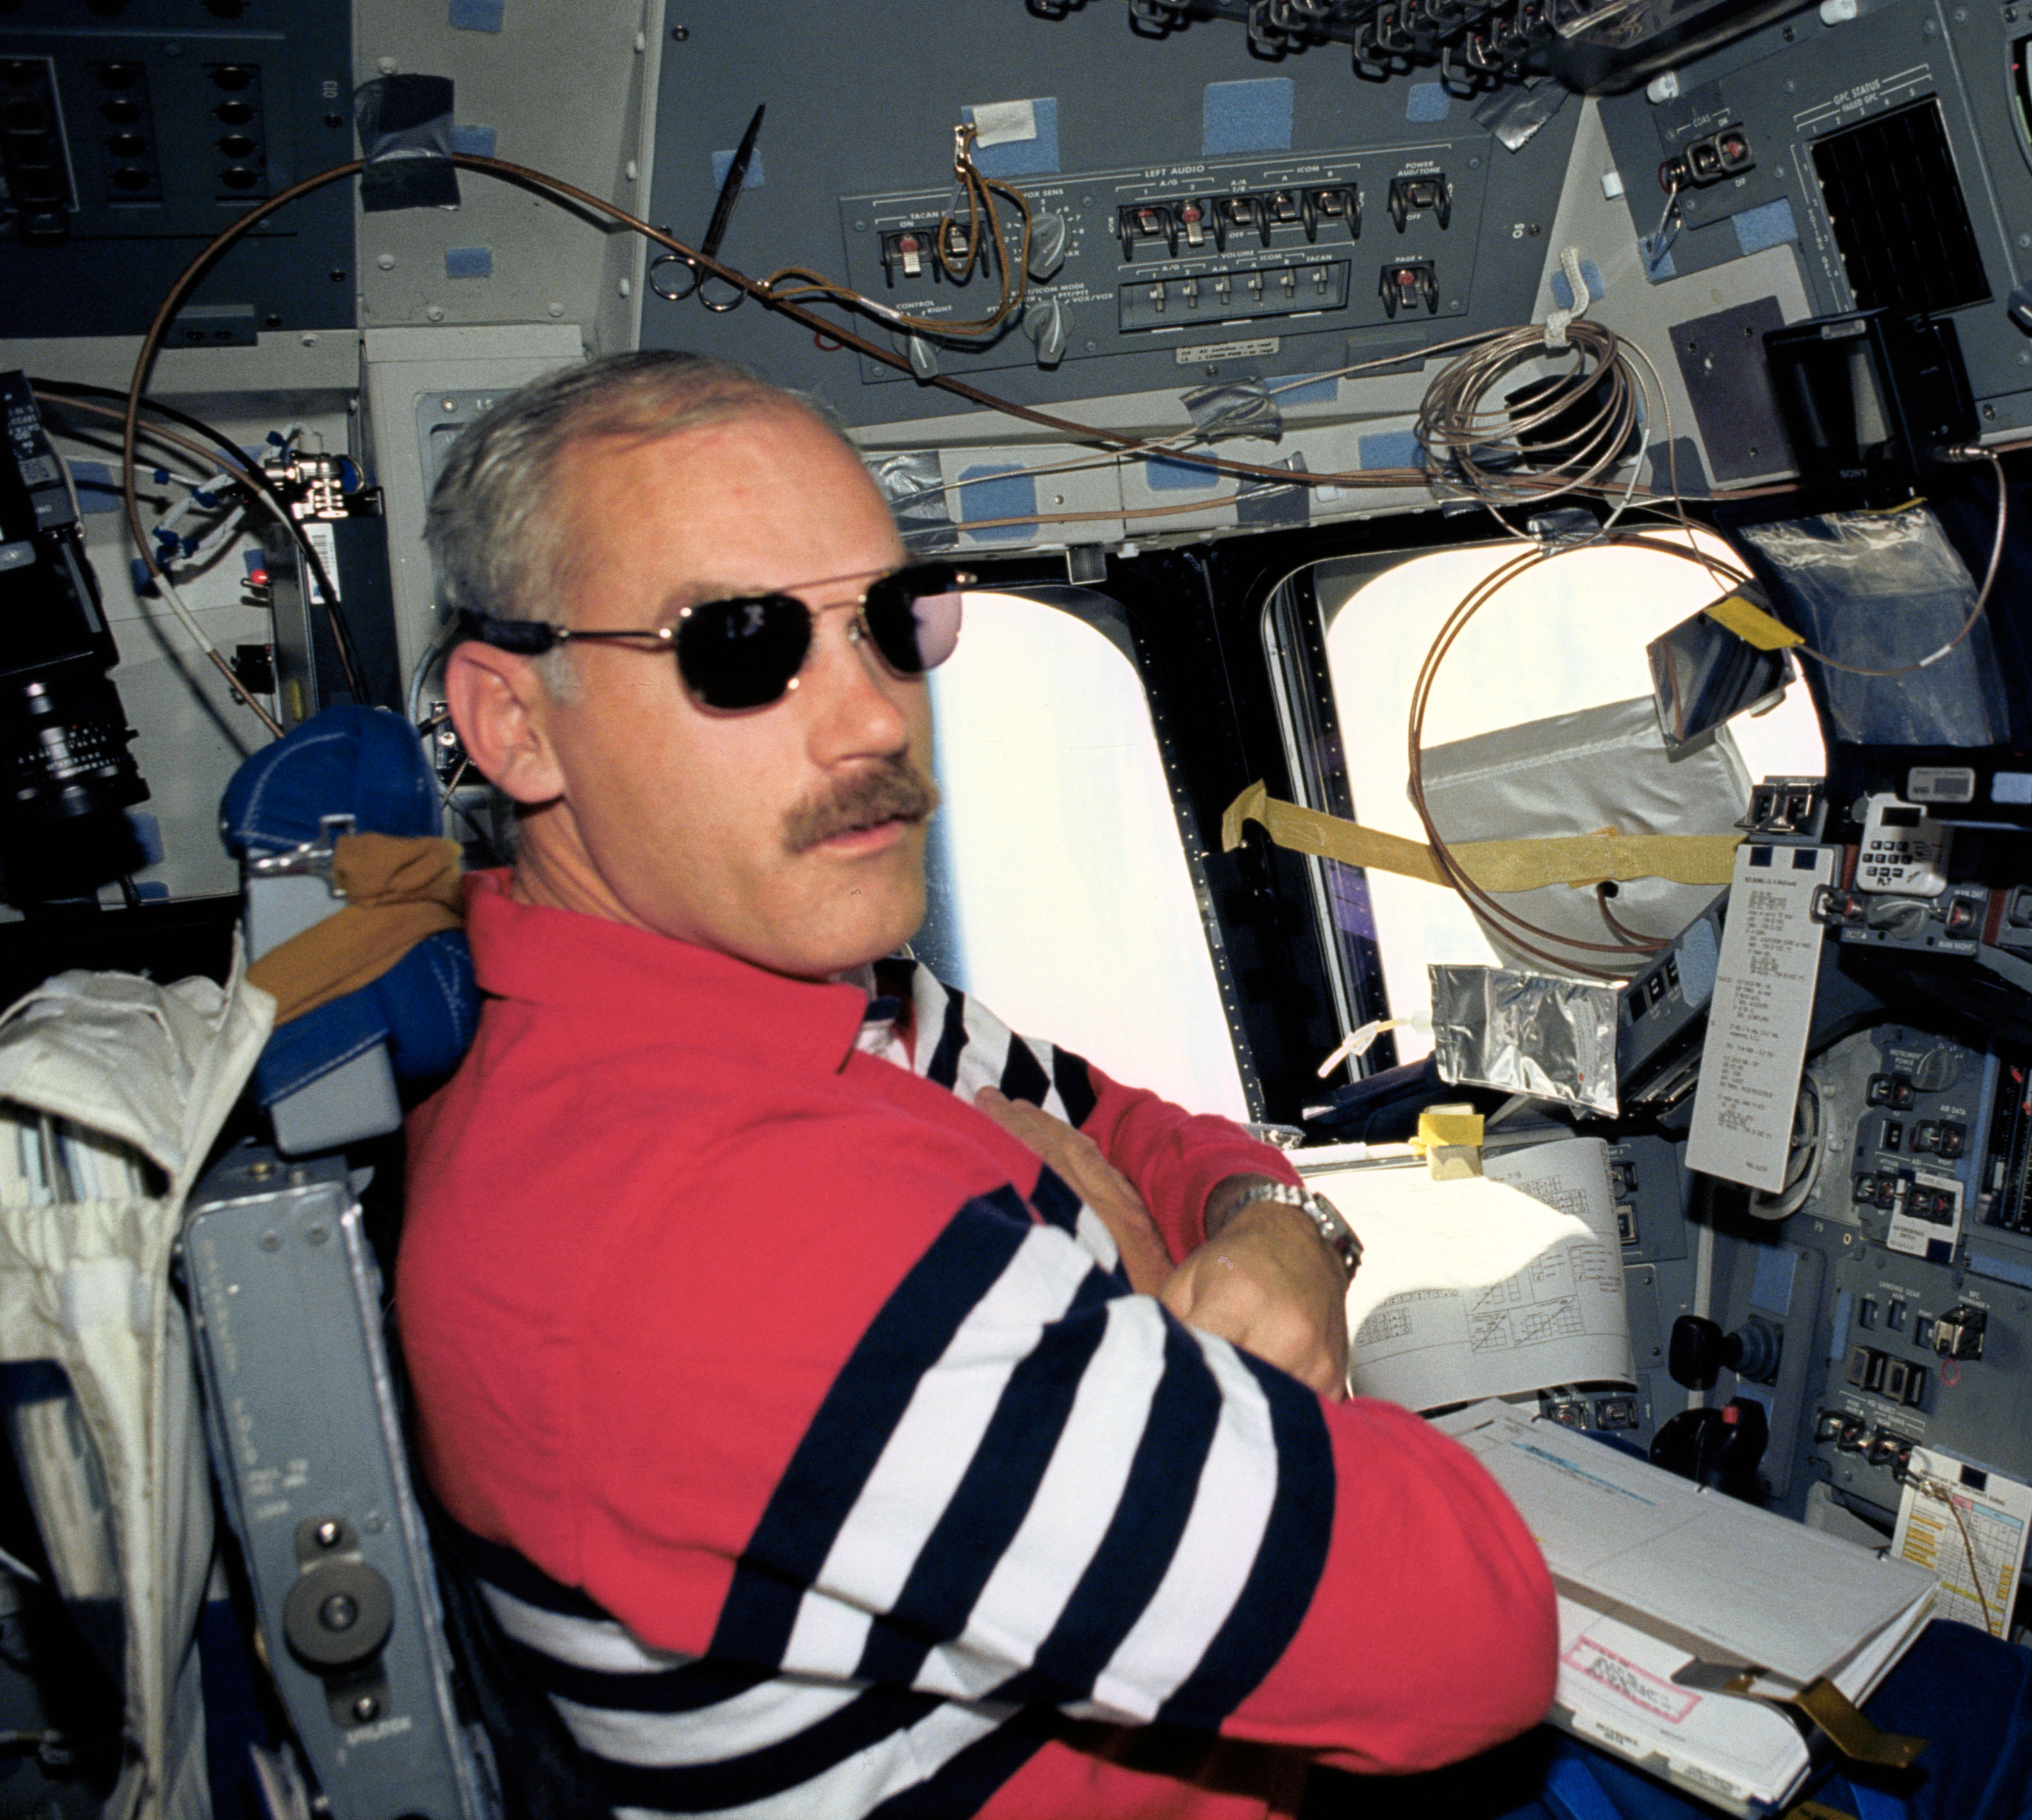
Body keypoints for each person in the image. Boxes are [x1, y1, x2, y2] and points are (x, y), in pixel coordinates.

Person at [398, 349, 1561, 1819]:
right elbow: (1471, 1635)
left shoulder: (779, 992)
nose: (874, 719)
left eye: (889, 622)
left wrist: (1272, 1219)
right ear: (511, 721)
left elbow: (1121, 1117)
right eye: (743, 644)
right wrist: (1157, 1261)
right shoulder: (713, 1228)